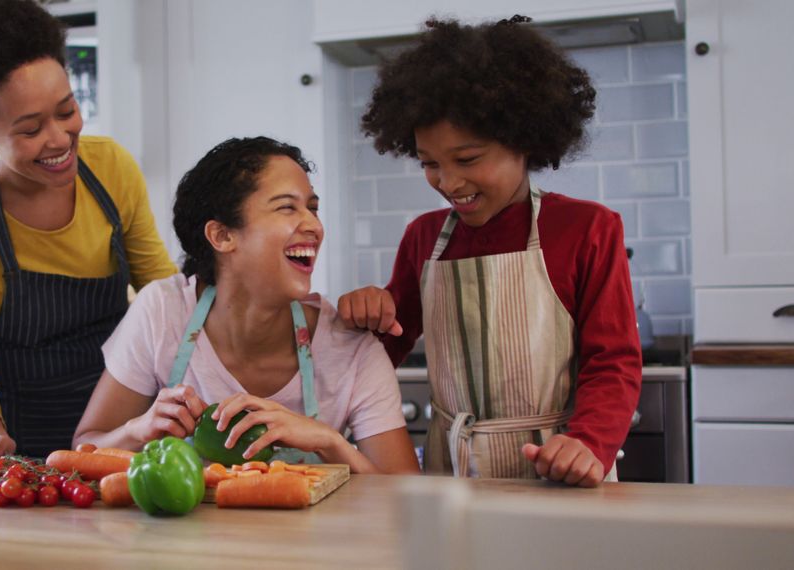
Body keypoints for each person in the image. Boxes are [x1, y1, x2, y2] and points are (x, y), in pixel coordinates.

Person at [336, 15, 641, 486]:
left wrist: (589, 442)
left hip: (558, 467)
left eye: (468, 159)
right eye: (430, 163)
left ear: (524, 140)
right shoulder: (423, 237)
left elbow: (613, 361)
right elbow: (383, 347)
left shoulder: (588, 228)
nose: (449, 182)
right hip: (451, 470)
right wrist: (368, 314)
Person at [0, 0, 177, 476]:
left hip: (120, 437)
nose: (60, 139)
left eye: (67, 110)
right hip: (13, 440)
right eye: (31, 129)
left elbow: (167, 296)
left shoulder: (112, 168)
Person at [74, 137, 419, 474]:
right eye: (287, 207)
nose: (314, 225)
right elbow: (85, 447)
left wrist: (330, 442)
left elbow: (405, 500)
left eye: (312, 208)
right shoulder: (163, 312)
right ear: (222, 236)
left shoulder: (351, 346)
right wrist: (138, 431)